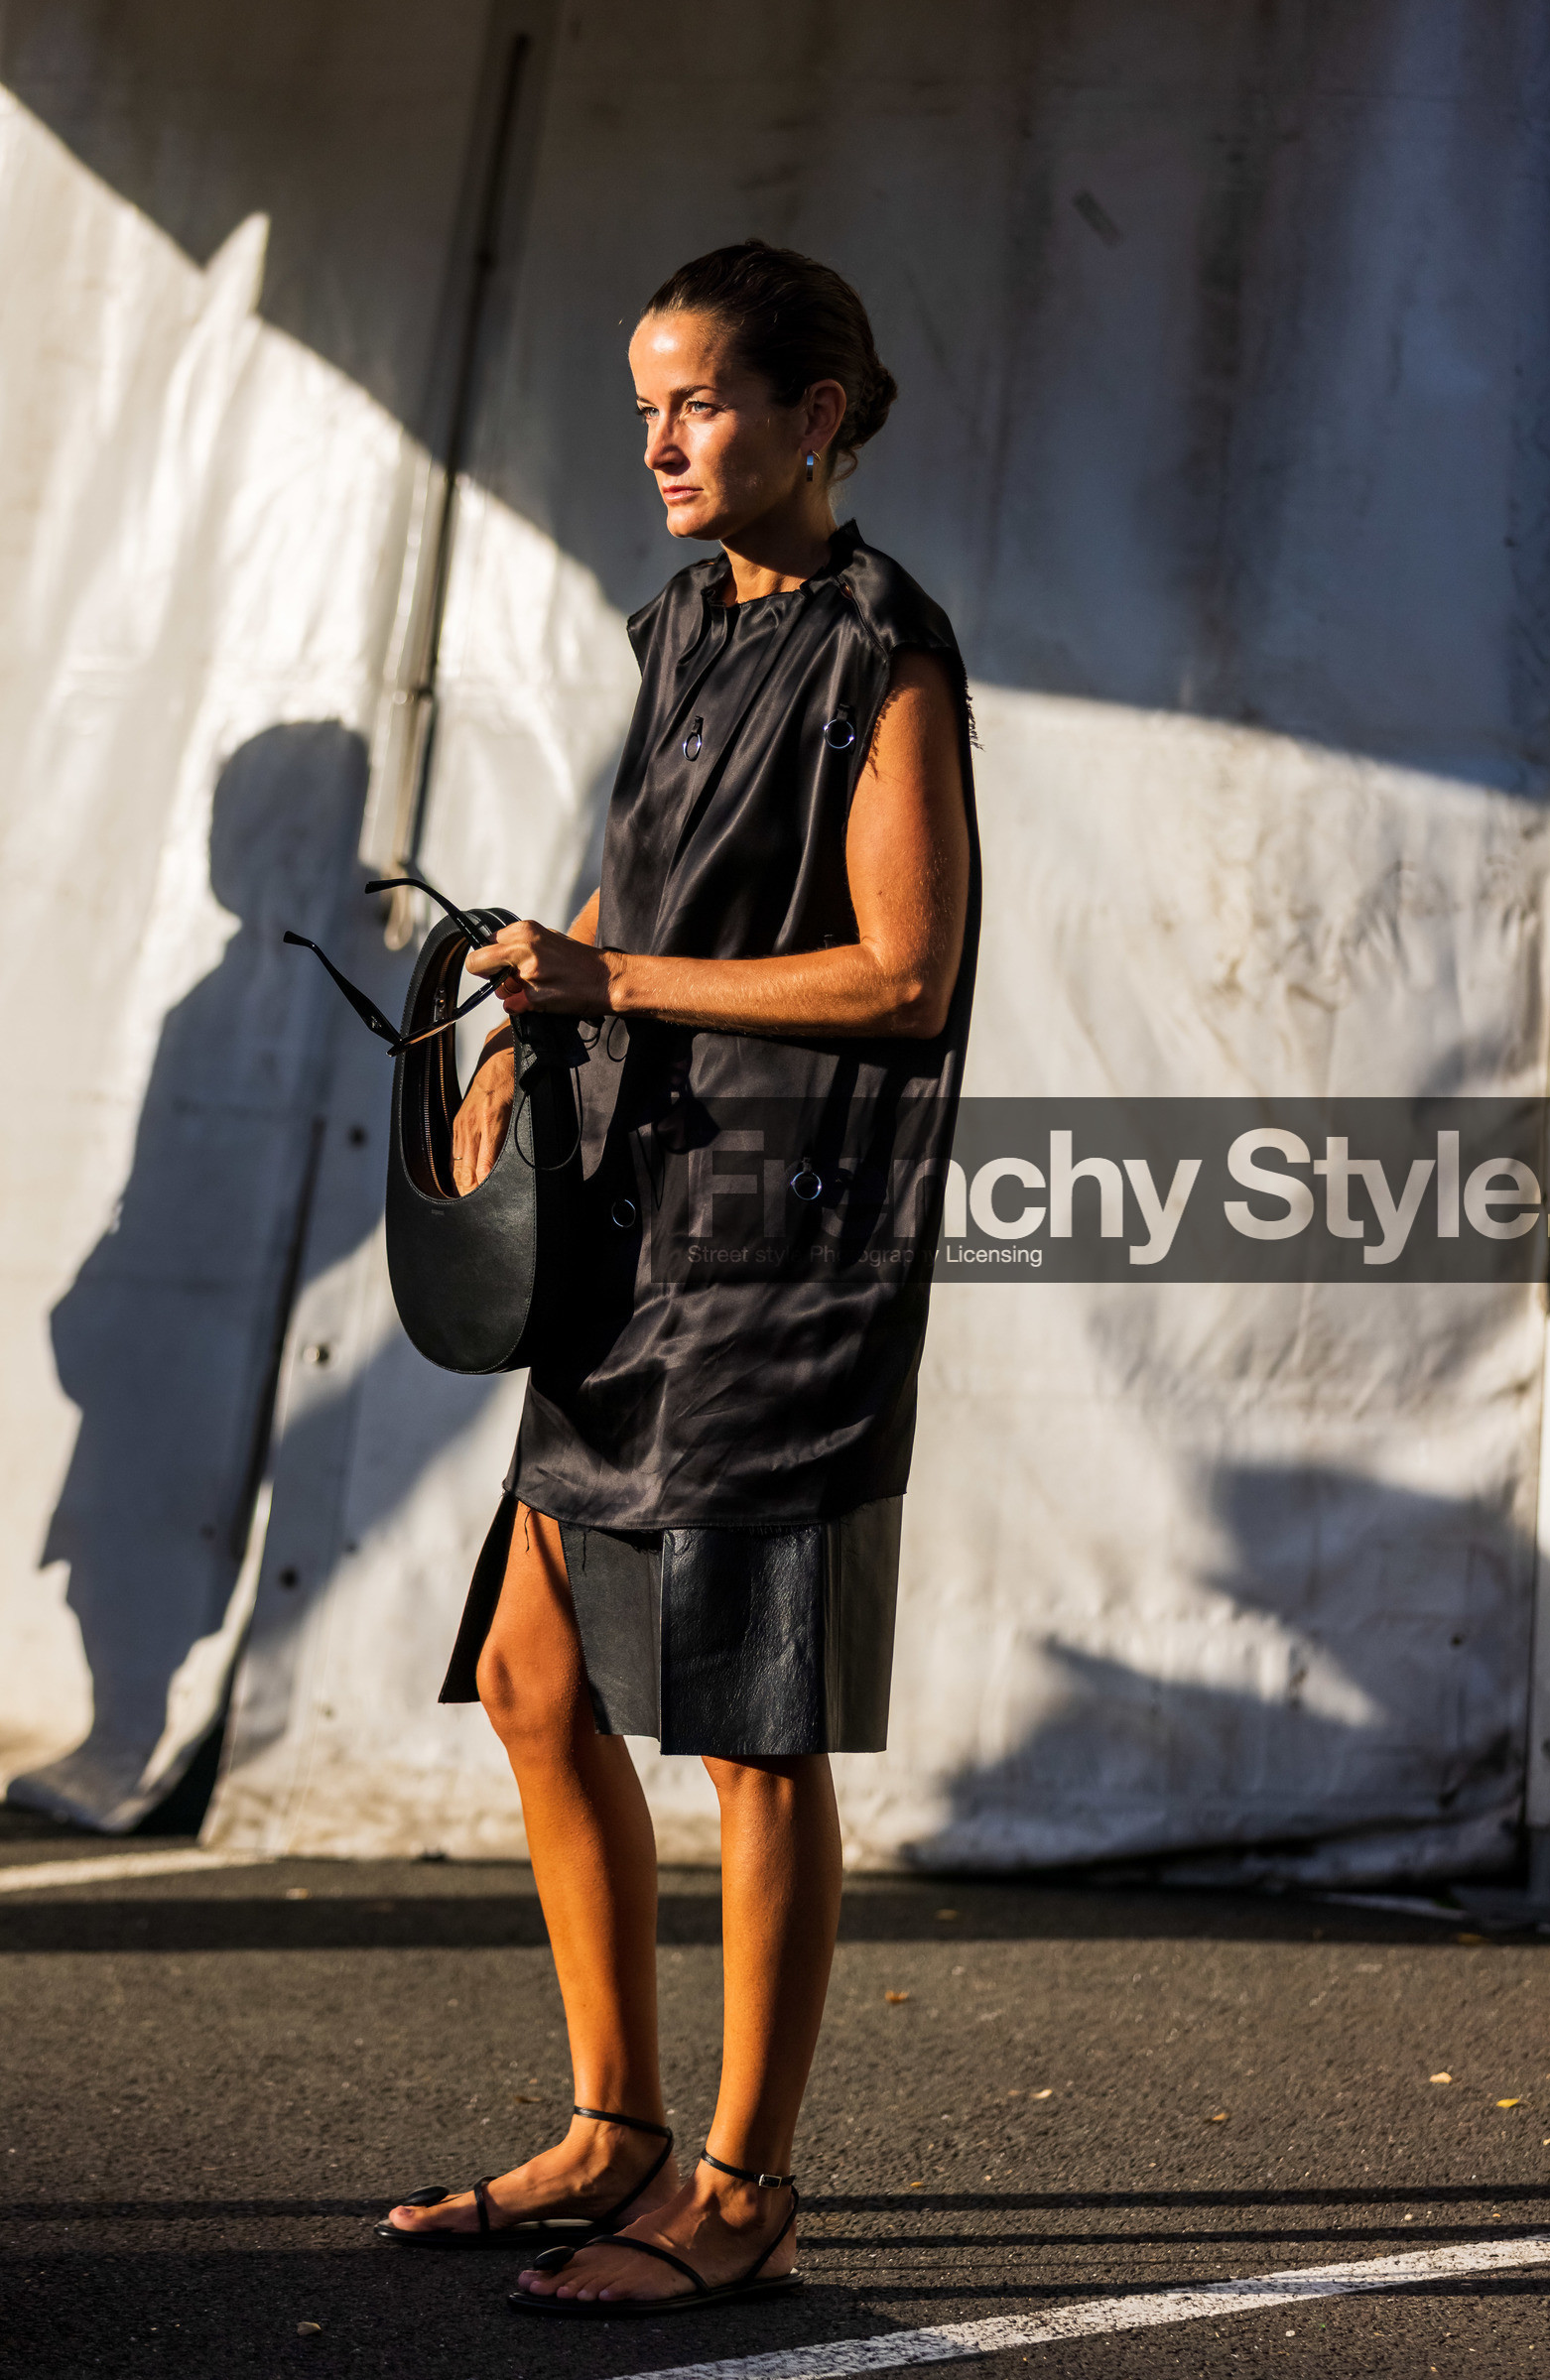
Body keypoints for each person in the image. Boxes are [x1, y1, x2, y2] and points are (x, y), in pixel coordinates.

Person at [377, 239, 979, 2317]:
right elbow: (638, 876)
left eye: (700, 398)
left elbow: (903, 975)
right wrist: (513, 1032)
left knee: (748, 1738)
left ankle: (739, 2185)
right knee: (539, 1677)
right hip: (627, 1218)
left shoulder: (884, 651)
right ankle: (612, 2127)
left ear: (815, 415)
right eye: (645, 396)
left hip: (781, 1252)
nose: (656, 436)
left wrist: (611, 975)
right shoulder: (689, 619)